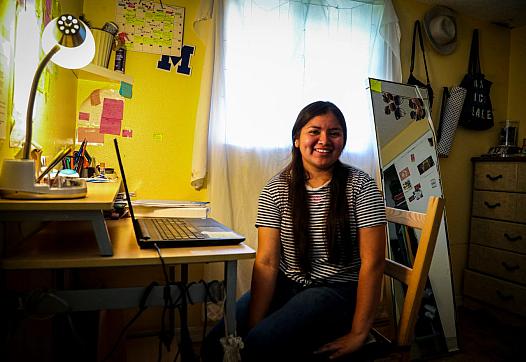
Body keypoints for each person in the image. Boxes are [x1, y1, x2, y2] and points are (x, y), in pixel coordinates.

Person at [202, 101, 387, 361]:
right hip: (287, 284)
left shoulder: (362, 187)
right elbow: (267, 263)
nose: (324, 140)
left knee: (259, 345)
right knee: (215, 344)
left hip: (338, 290)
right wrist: (254, 322)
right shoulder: (276, 189)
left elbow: (374, 263)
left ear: (343, 141)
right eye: (314, 131)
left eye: (334, 132)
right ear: (297, 139)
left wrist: (359, 333)